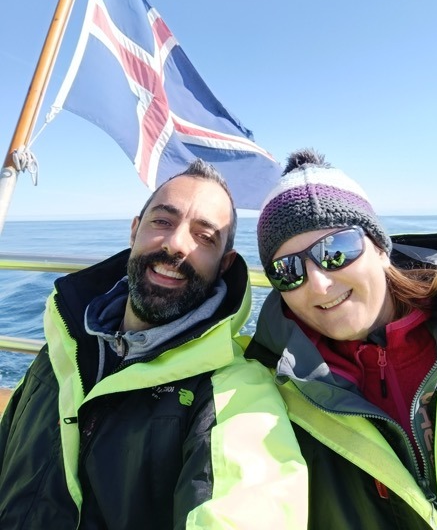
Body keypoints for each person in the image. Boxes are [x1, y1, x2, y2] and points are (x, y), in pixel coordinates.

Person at [0, 159, 308, 530]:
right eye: (163, 221)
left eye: (204, 236)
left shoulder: (232, 394)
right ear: (134, 231)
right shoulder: (65, 339)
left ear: (225, 264)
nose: (176, 244)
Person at [246, 148, 437, 529]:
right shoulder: (273, 390)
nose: (319, 285)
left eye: (335, 251)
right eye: (288, 270)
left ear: (381, 248)